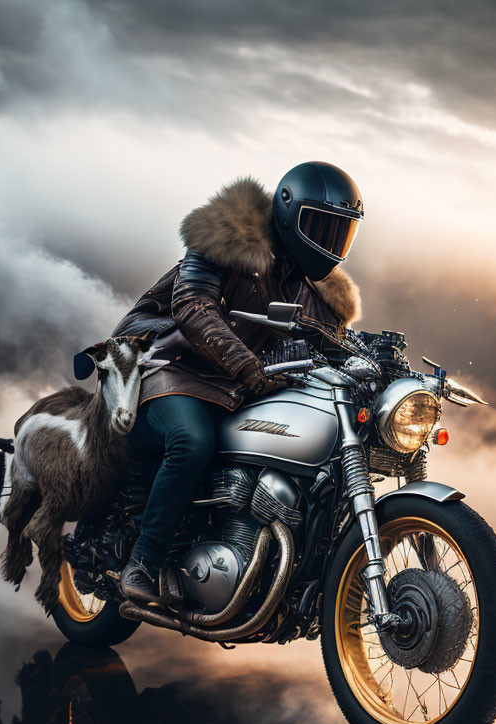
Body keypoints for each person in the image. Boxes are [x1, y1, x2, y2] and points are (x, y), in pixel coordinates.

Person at [113, 161, 364, 605]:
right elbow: (192, 307)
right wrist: (248, 366)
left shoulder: (313, 290)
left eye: (339, 231)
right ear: (289, 214)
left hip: (239, 383)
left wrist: (374, 364)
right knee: (192, 440)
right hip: (168, 364)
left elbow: (331, 344)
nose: (328, 244)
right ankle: (143, 563)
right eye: (319, 227)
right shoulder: (229, 241)